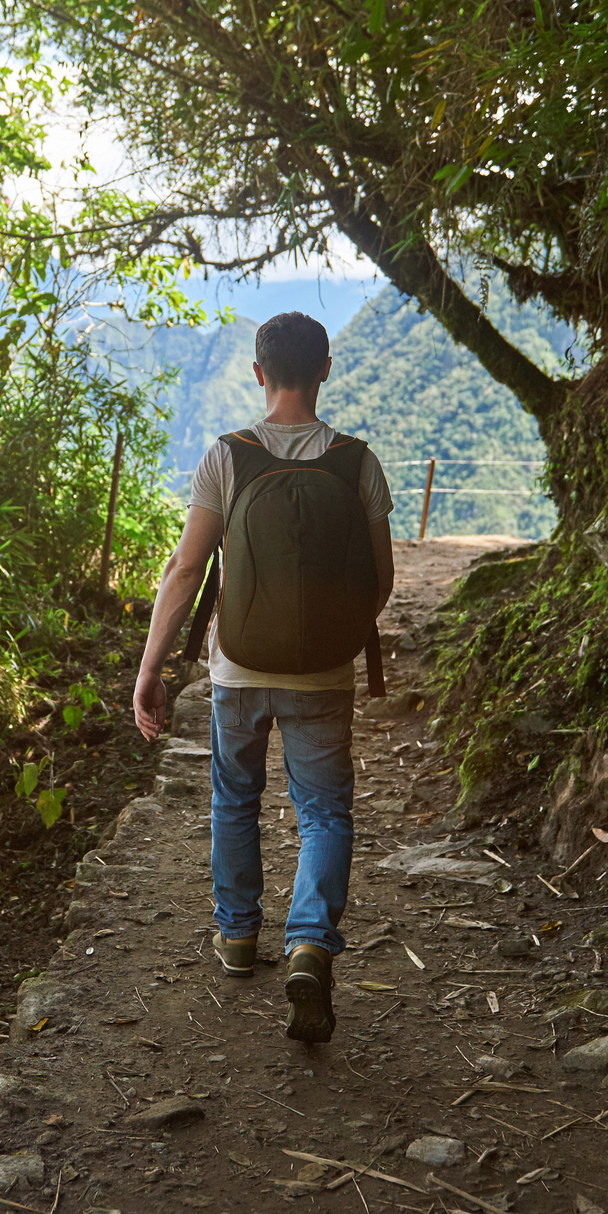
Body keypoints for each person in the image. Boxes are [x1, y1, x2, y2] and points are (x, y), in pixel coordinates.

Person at [132, 311, 394, 1043]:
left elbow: (187, 569)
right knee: (324, 813)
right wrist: (332, 638)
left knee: (234, 800)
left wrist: (150, 670)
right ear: (326, 370)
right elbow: (381, 579)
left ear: (257, 373)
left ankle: (238, 938)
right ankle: (310, 942)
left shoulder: (227, 456)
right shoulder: (356, 462)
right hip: (323, 676)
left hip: (236, 670)